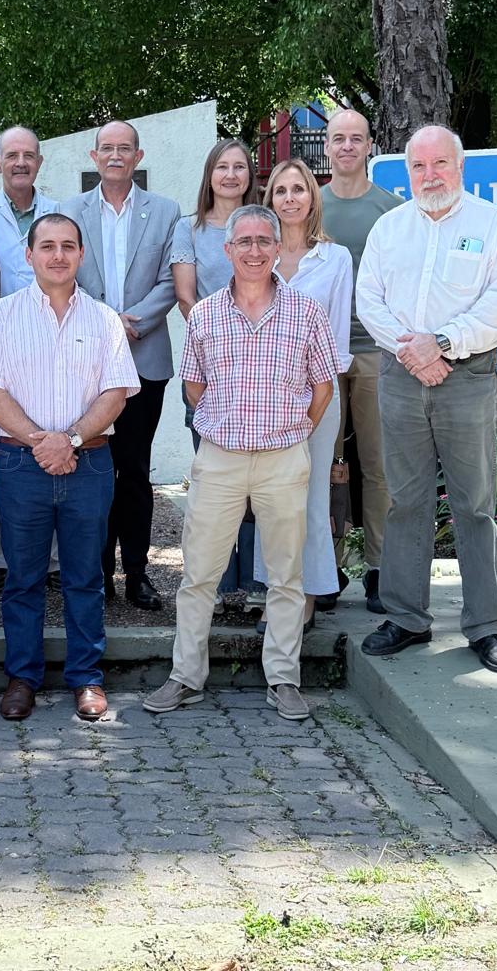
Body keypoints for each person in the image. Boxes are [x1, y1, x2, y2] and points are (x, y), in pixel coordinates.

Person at [144, 205, 338, 721]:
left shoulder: (305, 311)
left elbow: (323, 385)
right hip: (221, 460)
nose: (254, 250)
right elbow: (193, 386)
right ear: (227, 251)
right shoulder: (204, 315)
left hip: (282, 459)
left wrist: (295, 431)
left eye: (263, 241)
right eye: (243, 242)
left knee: (285, 577)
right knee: (199, 574)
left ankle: (284, 679)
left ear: (278, 248)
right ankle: (185, 676)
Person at [356, 125, 497, 674]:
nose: (430, 176)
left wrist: (443, 344)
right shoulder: (388, 229)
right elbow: (370, 300)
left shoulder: (492, 224)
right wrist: (414, 353)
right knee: (406, 502)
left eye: (440, 164)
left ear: (460, 166)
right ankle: (406, 618)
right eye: (419, 167)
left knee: (474, 504)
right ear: (408, 173)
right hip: (402, 376)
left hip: (469, 376)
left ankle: (486, 625)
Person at [0, 214, 140, 722]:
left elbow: (116, 393)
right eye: (47, 246)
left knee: (85, 576)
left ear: (81, 255)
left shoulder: (105, 320)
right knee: (22, 578)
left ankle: (86, 677)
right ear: (29, 255)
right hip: (21, 464)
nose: (58, 255)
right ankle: (23, 677)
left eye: (68, 246)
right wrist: (40, 442)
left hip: (90, 463)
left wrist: (72, 439)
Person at [61, 120, 180, 611]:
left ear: (138, 156)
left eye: (124, 149)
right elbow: (63, 273)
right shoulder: (69, 212)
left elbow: (174, 280)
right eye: (107, 148)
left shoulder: (166, 212)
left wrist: (133, 321)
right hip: (87, 358)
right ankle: (95, 573)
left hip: (144, 357)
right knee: (93, 468)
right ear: (94, 156)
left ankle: (137, 573)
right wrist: (108, 321)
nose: (115, 155)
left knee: (133, 470)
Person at [250, 159, 352, 631]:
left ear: (313, 197)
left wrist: (315, 409)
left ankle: (306, 599)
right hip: (262, 402)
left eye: (299, 189)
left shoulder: (334, 260)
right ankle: (276, 593)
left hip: (316, 398)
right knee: (270, 500)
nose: (289, 198)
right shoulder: (257, 257)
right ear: (269, 199)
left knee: (309, 499)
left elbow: (336, 343)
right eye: (280, 190)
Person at [170, 137, 260, 607]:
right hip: (209, 366)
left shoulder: (264, 225)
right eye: (222, 167)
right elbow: (186, 297)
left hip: (266, 370)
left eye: (239, 167)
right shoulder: (189, 230)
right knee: (215, 480)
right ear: (209, 174)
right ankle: (220, 585)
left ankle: (253, 583)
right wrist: (224, 337)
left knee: (258, 482)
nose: (230, 175)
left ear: (250, 175)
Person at [320, 107, 401, 613]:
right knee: (326, 464)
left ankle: (379, 568)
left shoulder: (390, 209)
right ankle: (324, 569)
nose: (347, 146)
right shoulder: (308, 205)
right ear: (326, 146)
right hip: (321, 357)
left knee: (376, 464)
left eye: (357, 138)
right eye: (338, 139)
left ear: (370, 145)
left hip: (374, 351)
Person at [0, 126, 60, 594]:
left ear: (40, 163)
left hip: (51, 345)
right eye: (12, 155)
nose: (21, 163)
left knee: (49, 442)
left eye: (29, 155)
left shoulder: (59, 213)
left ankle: (49, 560)